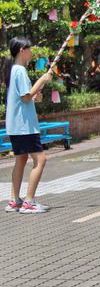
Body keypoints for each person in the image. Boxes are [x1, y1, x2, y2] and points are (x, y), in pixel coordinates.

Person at [2, 37, 54, 213]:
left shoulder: (14, 70)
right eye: (29, 49)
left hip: (16, 124)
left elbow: (25, 97)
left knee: (21, 159)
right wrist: (42, 80)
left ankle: (15, 200)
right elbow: (25, 97)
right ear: (21, 51)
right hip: (24, 125)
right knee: (41, 159)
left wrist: (34, 96)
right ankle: (29, 201)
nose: (32, 52)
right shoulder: (20, 71)